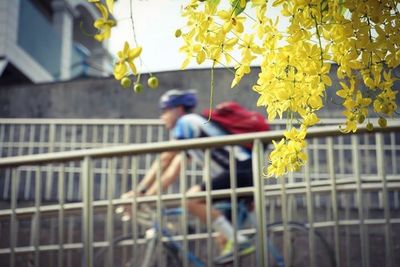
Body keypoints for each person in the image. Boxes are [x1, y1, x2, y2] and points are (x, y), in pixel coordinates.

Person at [121, 89, 255, 264]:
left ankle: (240, 242)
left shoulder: (187, 122)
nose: (162, 117)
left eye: (165, 111)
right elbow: (172, 171)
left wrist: (139, 191)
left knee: (191, 199)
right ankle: (237, 242)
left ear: (179, 109)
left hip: (240, 171)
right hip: (239, 174)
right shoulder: (194, 134)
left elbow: (164, 159)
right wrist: (148, 197)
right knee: (223, 238)